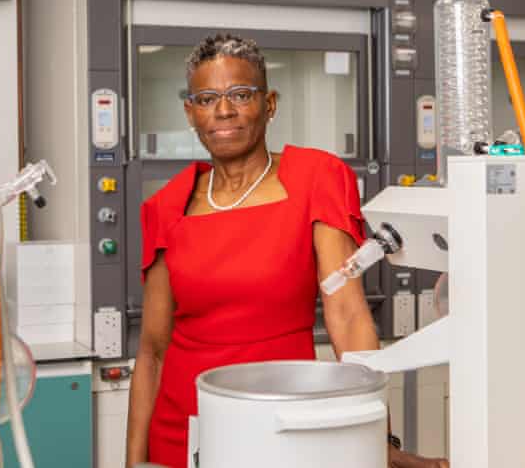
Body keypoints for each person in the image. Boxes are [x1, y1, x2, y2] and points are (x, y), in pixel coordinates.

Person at [125, 33, 449, 468]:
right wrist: (133, 462)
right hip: (183, 434)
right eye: (207, 98)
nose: (223, 110)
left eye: (240, 94)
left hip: (287, 424)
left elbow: (349, 317)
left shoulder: (316, 178)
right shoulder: (166, 205)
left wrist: (378, 435)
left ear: (270, 103)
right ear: (191, 111)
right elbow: (152, 351)